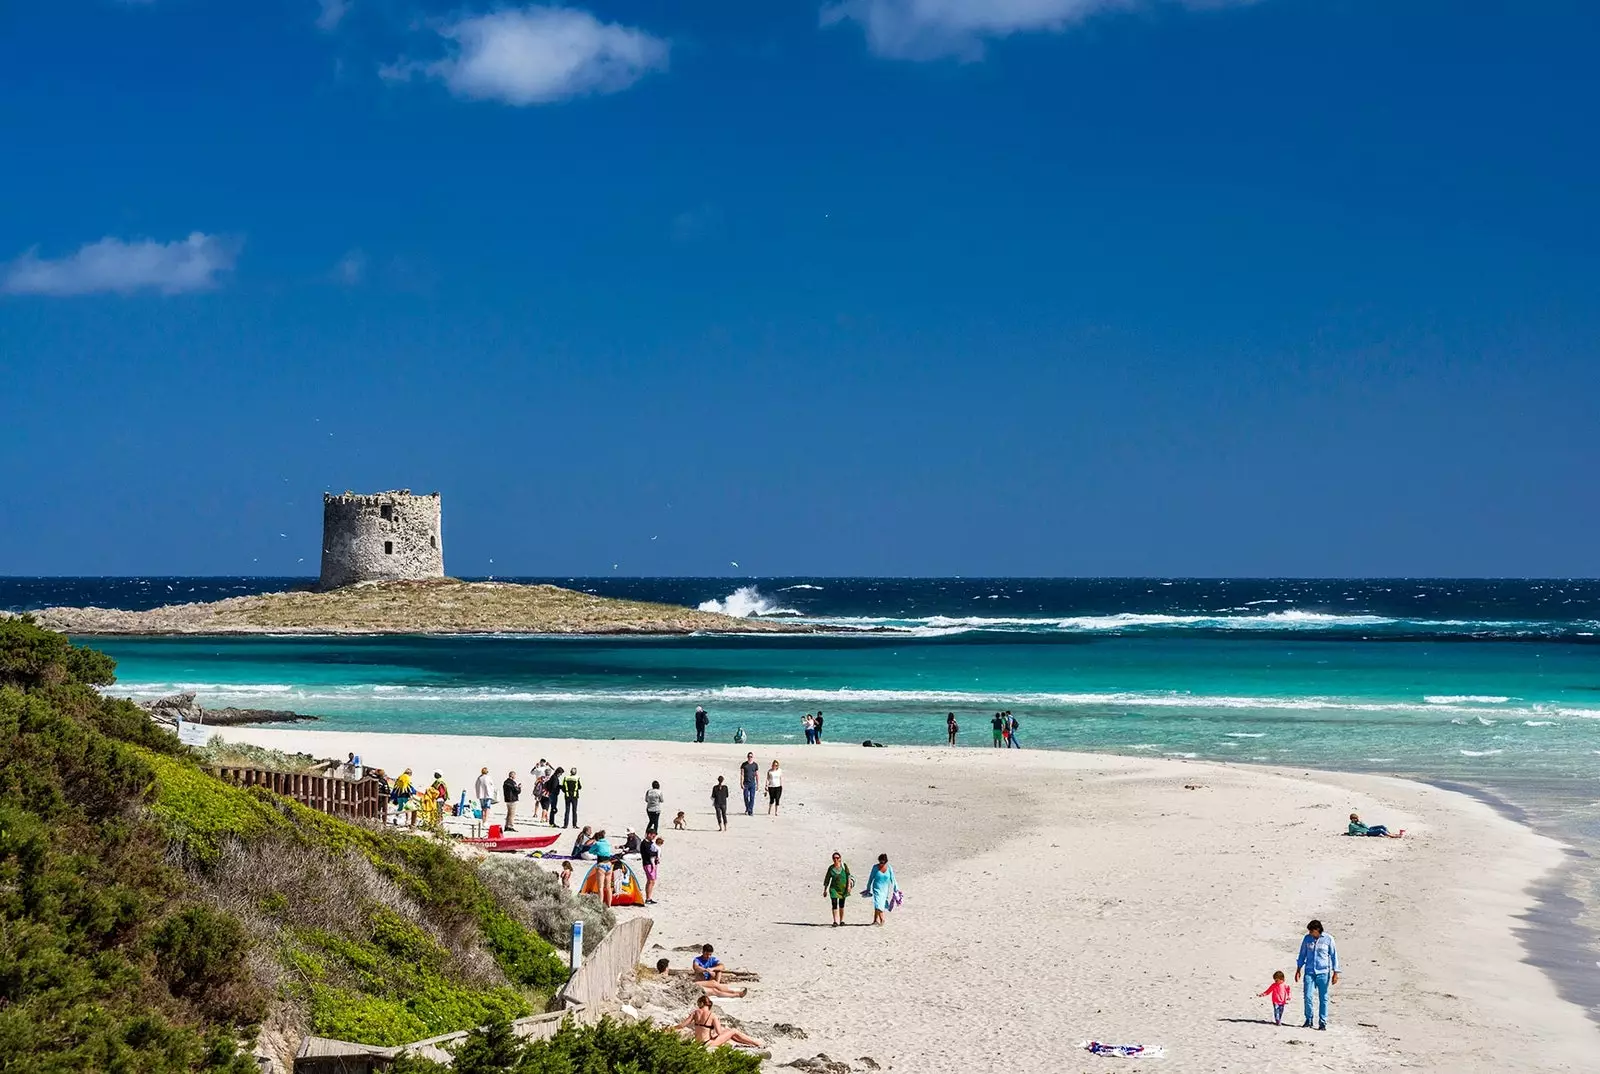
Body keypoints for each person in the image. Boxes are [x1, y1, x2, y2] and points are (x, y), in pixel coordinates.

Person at [674, 995, 763, 1050]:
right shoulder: (712, 1015)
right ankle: (756, 1043)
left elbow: (682, 1025)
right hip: (708, 1043)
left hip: (698, 1043)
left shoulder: (695, 1013)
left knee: (728, 1031)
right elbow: (719, 1032)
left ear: (701, 1003)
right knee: (733, 1031)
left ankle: (750, 1043)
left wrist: (672, 1028)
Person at [1294, 919, 1339, 1030]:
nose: (1310, 933)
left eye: (1311, 931)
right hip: (1309, 971)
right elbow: (1302, 954)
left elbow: (1334, 956)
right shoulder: (1307, 939)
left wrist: (1335, 972)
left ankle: (1322, 1022)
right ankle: (1308, 1019)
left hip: (1323, 972)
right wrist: (1298, 969)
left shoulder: (1328, 939)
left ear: (1317, 930)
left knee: (1323, 998)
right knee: (1308, 996)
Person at [656, 957, 746, 998]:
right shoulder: (664, 977)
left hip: (687, 986)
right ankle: (736, 993)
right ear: (667, 967)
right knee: (714, 990)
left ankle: (736, 992)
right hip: (687, 989)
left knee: (714, 986)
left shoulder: (659, 977)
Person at [865, 853, 896, 926]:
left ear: (886, 862)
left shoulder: (889, 868)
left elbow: (893, 879)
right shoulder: (875, 867)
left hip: (885, 890)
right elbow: (871, 878)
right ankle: (882, 920)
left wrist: (896, 889)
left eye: (883, 862)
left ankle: (875, 920)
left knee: (879, 904)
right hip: (876, 888)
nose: (881, 864)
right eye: (880, 862)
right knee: (878, 903)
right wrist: (868, 888)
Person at [823, 851, 853, 927]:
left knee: (841, 905)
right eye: (834, 858)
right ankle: (835, 921)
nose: (836, 859)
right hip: (833, 889)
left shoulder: (844, 866)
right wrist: (825, 890)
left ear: (840, 858)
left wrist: (849, 886)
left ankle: (841, 920)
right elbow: (827, 879)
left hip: (843, 889)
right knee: (834, 904)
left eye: (837, 858)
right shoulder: (831, 868)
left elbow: (848, 875)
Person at [590, 829, 614, 904]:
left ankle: (600, 904)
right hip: (609, 864)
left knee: (600, 887)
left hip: (601, 865)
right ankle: (609, 904)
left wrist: (596, 852)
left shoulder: (597, 844)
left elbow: (590, 851)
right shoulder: (607, 843)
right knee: (608, 887)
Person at [642, 835, 662, 904]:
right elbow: (648, 853)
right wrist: (656, 854)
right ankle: (648, 898)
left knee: (652, 881)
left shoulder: (651, 843)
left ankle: (649, 898)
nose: (654, 837)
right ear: (649, 834)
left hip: (651, 863)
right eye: (653, 835)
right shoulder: (644, 843)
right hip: (648, 864)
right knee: (651, 881)